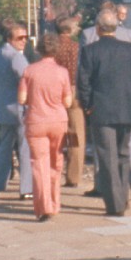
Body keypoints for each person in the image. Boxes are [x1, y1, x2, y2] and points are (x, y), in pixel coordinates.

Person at [77, 8, 131, 217]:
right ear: (116, 28)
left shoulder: (90, 51)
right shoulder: (130, 49)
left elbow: (83, 82)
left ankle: (115, 204)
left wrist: (88, 104)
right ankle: (122, 198)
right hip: (128, 109)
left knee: (107, 157)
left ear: (98, 29)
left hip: (102, 111)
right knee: (123, 154)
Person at [19, 33, 72, 221]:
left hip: (35, 121)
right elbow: (68, 101)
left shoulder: (29, 71)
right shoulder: (62, 72)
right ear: (56, 50)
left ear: (38, 49)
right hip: (58, 122)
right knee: (55, 163)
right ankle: (55, 203)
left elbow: (22, 99)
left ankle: (44, 207)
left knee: (39, 164)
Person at [0, 21, 34, 200]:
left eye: (25, 37)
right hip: (20, 107)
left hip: (2, 108)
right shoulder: (16, 57)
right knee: (24, 148)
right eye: (20, 38)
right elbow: (27, 79)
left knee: (4, 147)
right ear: (9, 38)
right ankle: (26, 188)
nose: (24, 41)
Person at [52, 15, 85, 187]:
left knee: (54, 133)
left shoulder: (51, 47)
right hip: (73, 91)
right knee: (75, 134)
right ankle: (73, 177)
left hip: (54, 92)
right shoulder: (76, 47)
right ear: (70, 29)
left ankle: (53, 173)